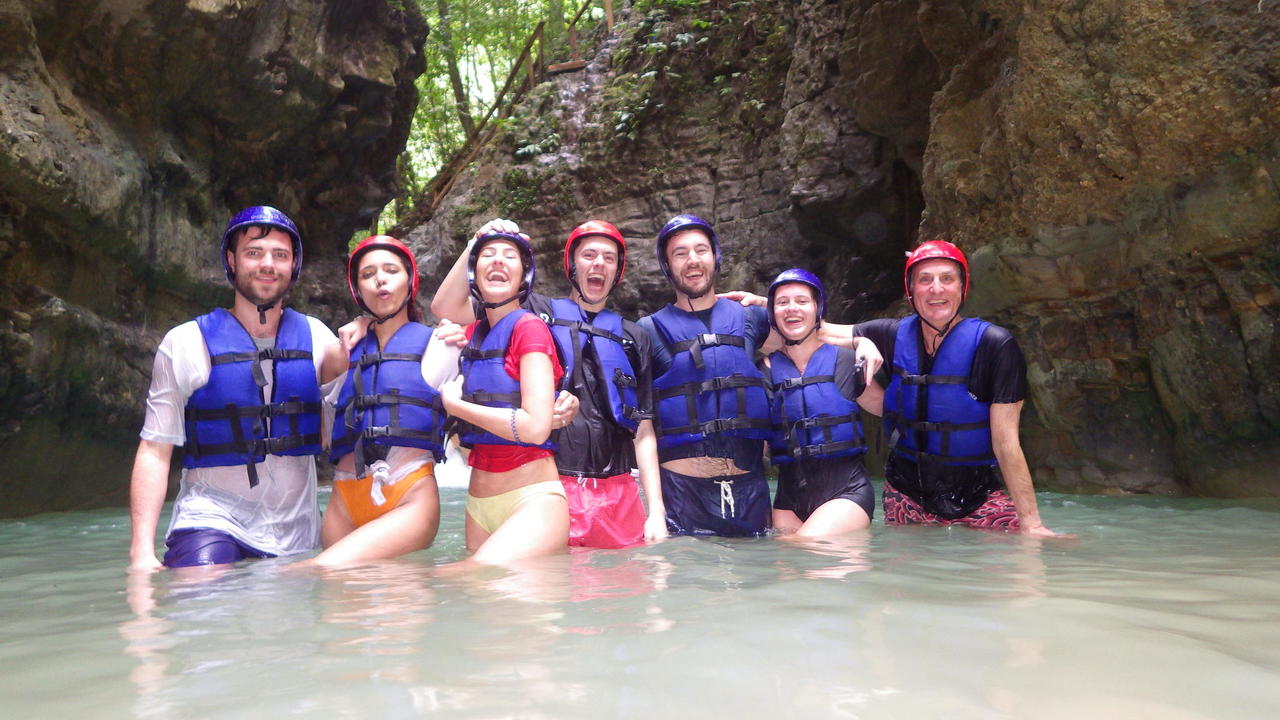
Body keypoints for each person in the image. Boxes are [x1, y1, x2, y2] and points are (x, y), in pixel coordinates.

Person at [128, 206, 348, 571]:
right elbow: (155, 447)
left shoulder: (319, 338)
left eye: (280, 255)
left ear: (293, 266)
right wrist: (141, 554)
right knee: (203, 598)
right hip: (210, 520)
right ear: (231, 261)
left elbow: (349, 415)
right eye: (253, 253)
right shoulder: (185, 341)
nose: (267, 264)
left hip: (296, 533)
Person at [431, 219, 666, 548]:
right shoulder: (533, 312)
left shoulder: (634, 336)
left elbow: (642, 430)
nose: (598, 263)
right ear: (571, 264)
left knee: (622, 590)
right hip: (554, 480)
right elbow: (451, 308)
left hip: (619, 489)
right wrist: (478, 240)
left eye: (609, 258)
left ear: (618, 270)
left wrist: (655, 510)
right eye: (589, 255)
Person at [822, 239, 1063, 536]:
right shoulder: (891, 334)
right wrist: (765, 306)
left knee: (1013, 572)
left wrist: (1032, 524)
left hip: (978, 497)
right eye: (925, 280)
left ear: (963, 288)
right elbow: (816, 330)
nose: (936, 289)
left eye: (947, 279)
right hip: (906, 496)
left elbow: (1006, 443)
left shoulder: (995, 346)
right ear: (911, 291)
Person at [312, 235, 458, 566]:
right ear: (358, 289)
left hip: (409, 494)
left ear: (410, 280)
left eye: (391, 270)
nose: (380, 278)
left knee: (321, 570)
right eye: (368, 274)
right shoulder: (340, 354)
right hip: (343, 501)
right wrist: (362, 324)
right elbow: (322, 429)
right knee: (342, 613)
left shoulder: (442, 344)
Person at [436, 231, 570, 563]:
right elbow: (443, 306)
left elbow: (536, 428)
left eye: (509, 256)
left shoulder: (530, 328)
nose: (497, 260)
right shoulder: (473, 334)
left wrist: (457, 406)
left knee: (461, 579)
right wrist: (471, 243)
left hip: (532, 499)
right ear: (474, 273)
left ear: (524, 276)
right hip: (479, 503)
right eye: (488, 255)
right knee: (488, 612)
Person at [765, 269, 881, 537]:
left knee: (808, 543)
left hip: (847, 491)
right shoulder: (764, 370)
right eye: (782, 302)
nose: (792, 308)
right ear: (772, 313)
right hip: (788, 498)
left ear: (818, 309)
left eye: (802, 301)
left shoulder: (846, 361)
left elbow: (891, 410)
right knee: (786, 571)